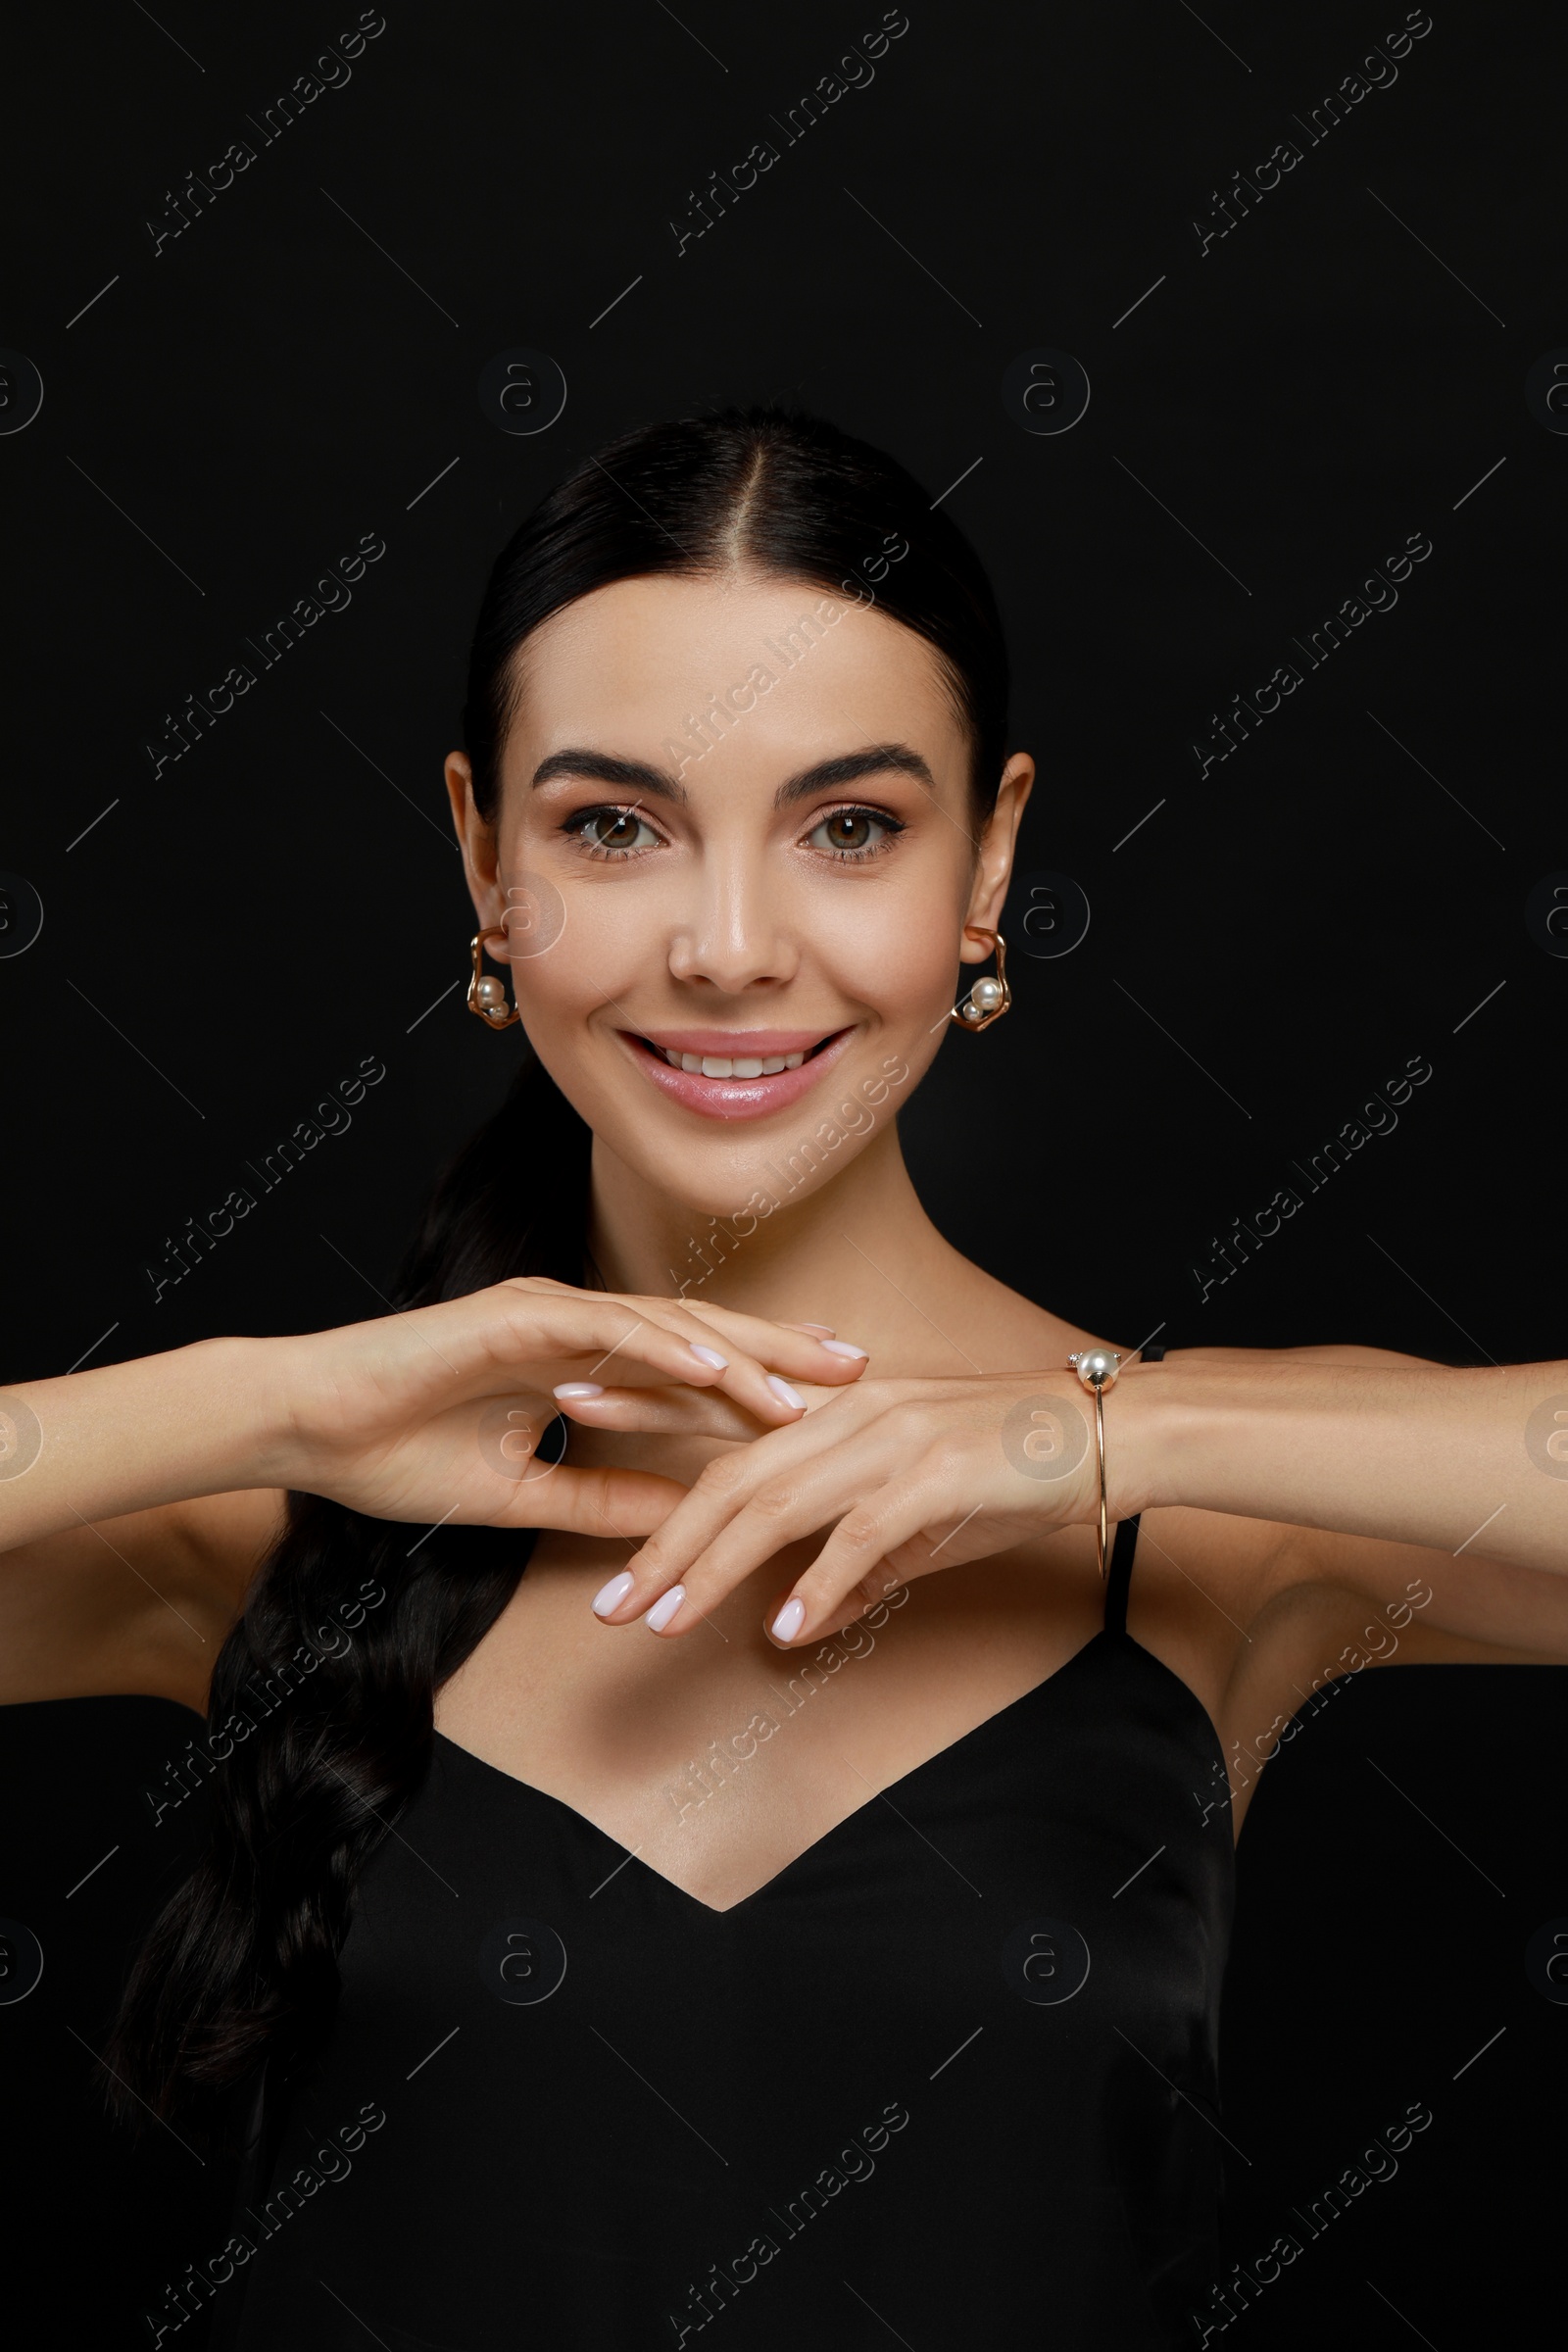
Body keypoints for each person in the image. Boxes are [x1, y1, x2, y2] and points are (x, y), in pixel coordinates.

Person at [3, 406, 1563, 2350]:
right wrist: (257, 1405)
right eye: (610, 827)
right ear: (483, 861)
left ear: (987, 857)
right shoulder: (263, 1513)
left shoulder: (1202, 1529)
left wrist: (1096, 1433)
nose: (730, 946)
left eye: (847, 827)